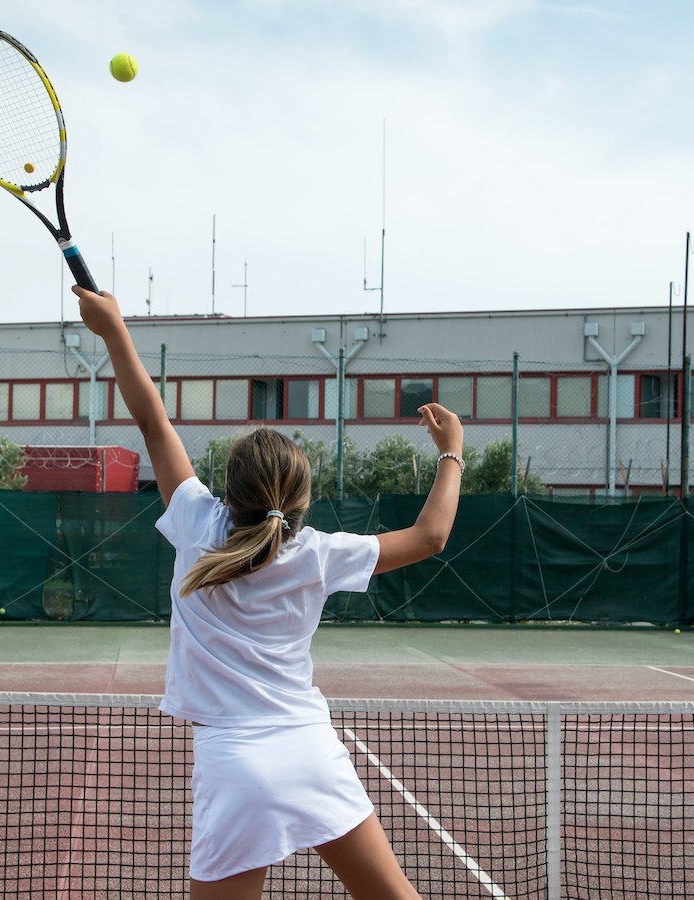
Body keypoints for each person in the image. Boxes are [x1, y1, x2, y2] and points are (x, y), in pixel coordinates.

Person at [74, 285, 463, 900]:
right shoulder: (317, 553)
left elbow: (151, 417)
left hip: (235, 767)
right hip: (311, 750)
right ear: (301, 501)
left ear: (228, 491)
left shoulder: (195, 524)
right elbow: (431, 536)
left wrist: (114, 330)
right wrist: (452, 454)